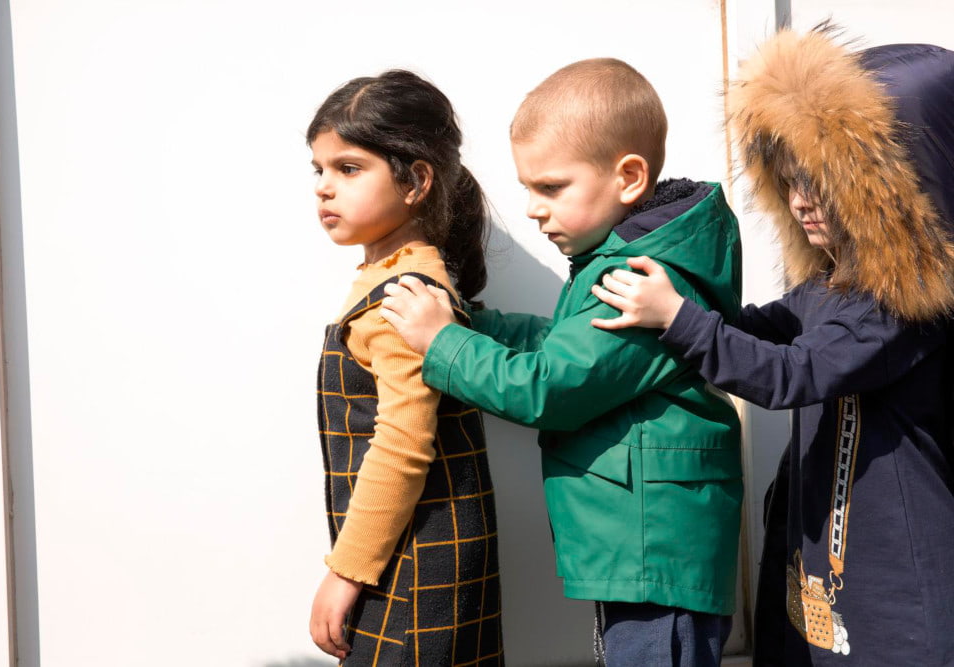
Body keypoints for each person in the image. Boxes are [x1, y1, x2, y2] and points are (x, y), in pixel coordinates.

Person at [590, 29, 954, 666]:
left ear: (892, 188)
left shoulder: (903, 306)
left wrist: (678, 319)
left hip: (897, 568)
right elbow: (769, 325)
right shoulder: (831, 281)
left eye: (822, 183)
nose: (800, 203)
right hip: (833, 554)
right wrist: (687, 302)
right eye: (787, 181)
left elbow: (792, 373)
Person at [381, 58, 743, 666]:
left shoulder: (641, 276)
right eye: (527, 188)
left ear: (628, 178)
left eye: (550, 188)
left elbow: (549, 387)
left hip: (654, 553)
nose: (531, 208)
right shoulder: (628, 256)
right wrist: (475, 324)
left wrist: (442, 342)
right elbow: (567, 345)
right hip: (640, 544)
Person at [306, 69, 503, 666]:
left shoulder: (403, 298)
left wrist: (346, 573)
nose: (324, 188)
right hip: (407, 551)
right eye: (318, 169)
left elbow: (401, 445)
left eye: (348, 168)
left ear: (416, 180)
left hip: (417, 562)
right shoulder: (393, 277)